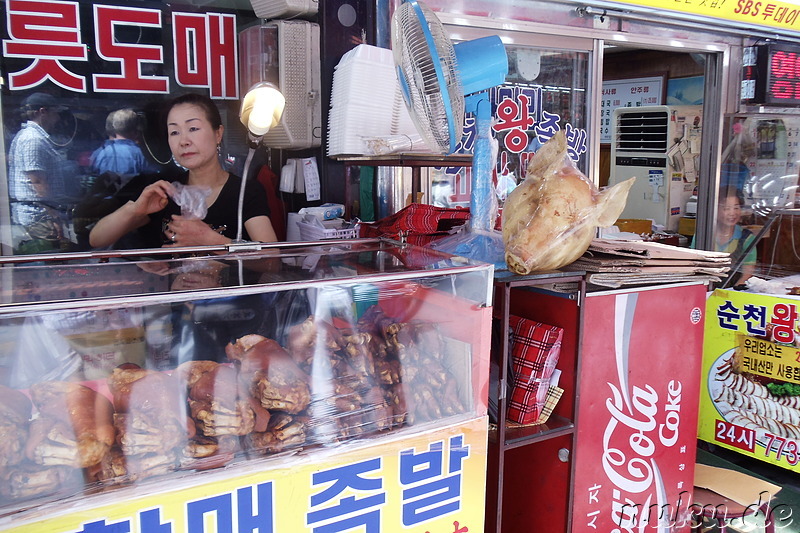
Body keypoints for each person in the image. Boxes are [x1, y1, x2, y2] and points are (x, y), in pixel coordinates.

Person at [89, 93, 278, 249]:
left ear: (218, 133)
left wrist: (211, 240)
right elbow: (97, 239)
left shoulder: (245, 191)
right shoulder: (164, 191)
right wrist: (136, 209)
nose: (183, 141)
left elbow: (271, 259)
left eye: (193, 128)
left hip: (226, 295)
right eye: (174, 132)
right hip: (177, 294)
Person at [7, 92, 72, 252]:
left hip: (40, 214)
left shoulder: (33, 136)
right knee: (48, 259)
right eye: (55, 112)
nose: (57, 118)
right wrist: (54, 215)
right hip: (39, 217)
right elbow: (37, 181)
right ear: (43, 112)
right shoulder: (33, 139)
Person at [90, 108, 156, 192]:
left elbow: (91, 175)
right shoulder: (140, 153)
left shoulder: (100, 152)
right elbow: (151, 177)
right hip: (131, 200)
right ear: (136, 130)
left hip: (103, 200)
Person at [715, 186, 757, 286]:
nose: (732, 213)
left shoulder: (747, 238)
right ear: (715, 210)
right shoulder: (704, 233)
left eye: (736, 208)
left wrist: (731, 294)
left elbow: (747, 274)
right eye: (726, 208)